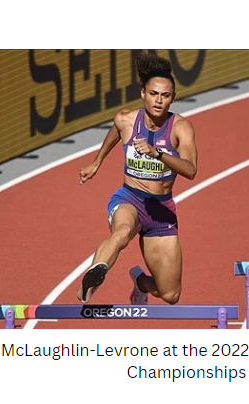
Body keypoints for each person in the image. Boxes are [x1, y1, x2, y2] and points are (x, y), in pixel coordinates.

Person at [76, 52, 198, 305]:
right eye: (153, 94)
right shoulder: (126, 120)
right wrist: (96, 162)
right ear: (143, 92)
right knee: (122, 232)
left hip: (162, 210)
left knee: (170, 295)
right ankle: (94, 275)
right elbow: (115, 132)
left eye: (165, 96)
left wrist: (159, 154)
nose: (158, 101)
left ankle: (141, 282)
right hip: (130, 198)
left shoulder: (180, 128)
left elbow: (190, 170)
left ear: (172, 98)